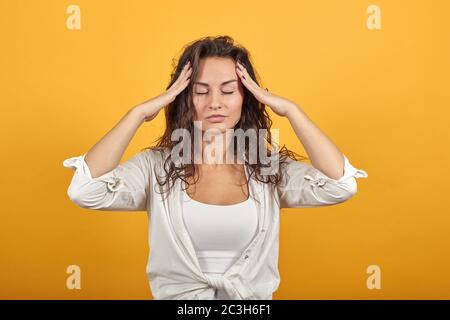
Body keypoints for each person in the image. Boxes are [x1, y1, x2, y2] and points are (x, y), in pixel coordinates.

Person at [63, 35, 368, 300]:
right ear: (183, 97)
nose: (215, 103)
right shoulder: (155, 168)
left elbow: (341, 185)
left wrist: (291, 110)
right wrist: (138, 113)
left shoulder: (267, 170)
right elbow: (84, 191)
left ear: (245, 96)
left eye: (228, 90)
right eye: (200, 90)